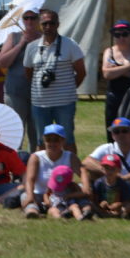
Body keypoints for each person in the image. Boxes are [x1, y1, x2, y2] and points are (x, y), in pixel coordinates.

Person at [23, 9, 86, 153]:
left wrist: (68, 89)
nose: (48, 27)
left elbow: (81, 72)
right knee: (42, 140)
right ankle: (42, 174)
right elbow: (28, 73)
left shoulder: (70, 44)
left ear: (58, 24)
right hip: (39, 103)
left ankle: (68, 172)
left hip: (64, 103)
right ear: (40, 25)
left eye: (51, 23)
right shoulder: (31, 47)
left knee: (67, 139)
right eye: (44, 23)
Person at [80, 117, 130, 206]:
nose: (120, 134)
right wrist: (108, 171)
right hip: (110, 185)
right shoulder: (107, 148)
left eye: (124, 131)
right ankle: (92, 203)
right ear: (112, 135)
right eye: (116, 131)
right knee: (91, 171)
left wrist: (126, 177)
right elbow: (86, 162)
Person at [0, 6, 41, 151]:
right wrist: (21, 43)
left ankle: (34, 168)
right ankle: (15, 169)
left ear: (38, 19)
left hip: (38, 93)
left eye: (33, 17)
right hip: (15, 92)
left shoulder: (44, 37)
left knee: (37, 134)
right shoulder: (14, 36)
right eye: (26, 18)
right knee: (15, 133)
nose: (29, 21)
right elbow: (2, 62)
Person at [101, 20, 130, 143]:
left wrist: (116, 71)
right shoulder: (109, 51)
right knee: (113, 129)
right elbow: (106, 74)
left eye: (125, 34)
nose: (121, 38)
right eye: (117, 35)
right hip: (114, 96)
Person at [21, 124, 80, 219]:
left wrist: (85, 189)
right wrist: (30, 196)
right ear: (44, 141)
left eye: (56, 140)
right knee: (25, 195)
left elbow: (83, 174)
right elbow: (29, 179)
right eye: (48, 139)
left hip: (62, 196)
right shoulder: (36, 157)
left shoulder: (70, 157)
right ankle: (33, 212)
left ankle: (69, 212)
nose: (52, 143)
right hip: (39, 195)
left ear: (63, 141)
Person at [91, 153, 130, 219]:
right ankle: (103, 213)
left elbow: (128, 201)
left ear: (119, 170)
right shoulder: (99, 182)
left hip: (120, 206)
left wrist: (119, 204)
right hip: (104, 207)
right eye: (107, 168)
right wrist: (101, 204)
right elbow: (95, 200)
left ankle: (121, 213)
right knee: (92, 205)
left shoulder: (125, 183)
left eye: (113, 169)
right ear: (102, 169)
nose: (109, 171)